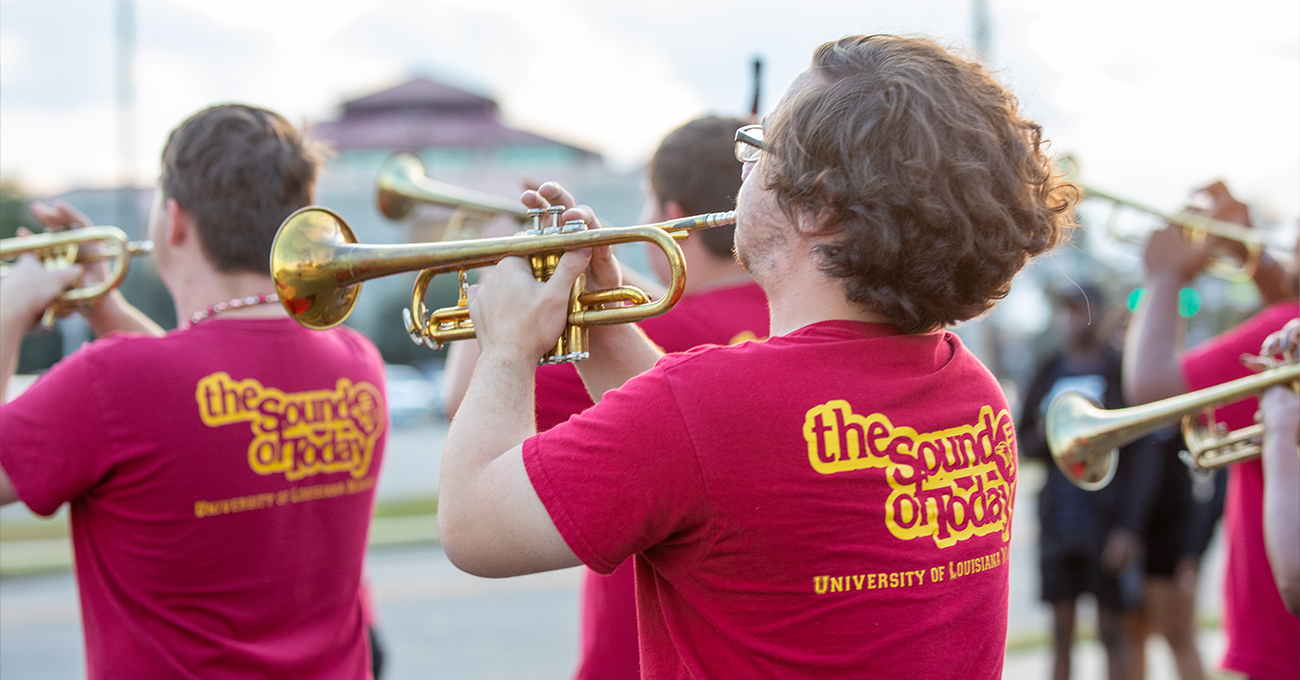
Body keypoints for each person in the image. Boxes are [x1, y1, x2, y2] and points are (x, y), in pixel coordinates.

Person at [436, 34, 1074, 677]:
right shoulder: (972, 390)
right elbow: (725, 464)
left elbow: (472, 525)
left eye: (758, 146)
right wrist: (603, 327)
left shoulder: (709, 407)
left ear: (819, 206)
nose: (744, 165)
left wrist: (506, 345)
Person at [0, 104, 388, 678]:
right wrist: (105, 305)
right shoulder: (357, 362)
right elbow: (200, 398)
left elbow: (171, 395)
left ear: (174, 221)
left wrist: (8, 314)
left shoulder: (113, 380)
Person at [444, 115, 768, 680]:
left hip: (641, 654)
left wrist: (498, 276)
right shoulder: (795, 320)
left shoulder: (652, 331)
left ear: (670, 216)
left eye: (646, 202)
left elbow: (465, 405)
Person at [1124, 182, 1300, 680]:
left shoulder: (1288, 323)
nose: (1289, 236)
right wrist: (1250, 252)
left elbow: (1152, 388)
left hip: (1284, 642)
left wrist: (1165, 276)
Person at [1017, 284, 1157, 680]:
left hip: (1105, 524)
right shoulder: (1049, 368)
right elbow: (1024, 440)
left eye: (1078, 310)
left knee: (1113, 635)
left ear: (1097, 312)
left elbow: (1141, 457)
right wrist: (1058, 437)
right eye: (1065, 310)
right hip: (1059, 525)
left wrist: (1129, 529)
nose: (1070, 319)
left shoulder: (1118, 369)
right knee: (1060, 635)